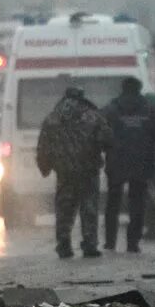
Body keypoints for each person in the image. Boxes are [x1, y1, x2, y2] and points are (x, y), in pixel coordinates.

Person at [36, 84, 113, 259]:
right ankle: (89, 244)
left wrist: (45, 167)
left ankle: (63, 244)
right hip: (88, 171)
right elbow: (107, 140)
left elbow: (43, 146)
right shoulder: (93, 116)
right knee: (89, 208)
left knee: (64, 209)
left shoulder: (52, 118)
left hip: (64, 172)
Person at [102, 76, 155, 253]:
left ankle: (110, 242)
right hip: (142, 163)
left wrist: (103, 151)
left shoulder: (110, 110)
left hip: (116, 162)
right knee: (137, 203)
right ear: (139, 88)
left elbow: (98, 133)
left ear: (122, 88)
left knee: (113, 202)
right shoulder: (150, 110)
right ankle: (132, 242)